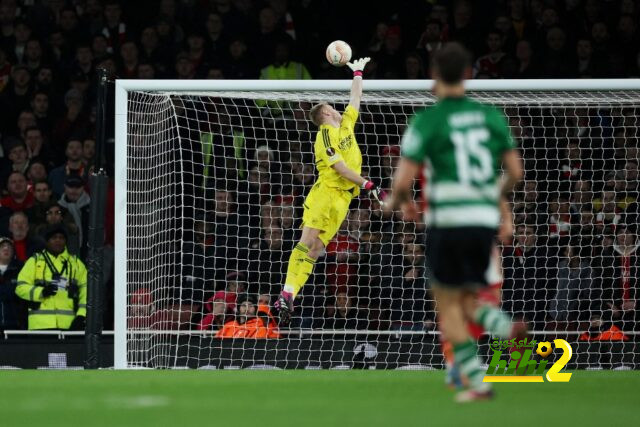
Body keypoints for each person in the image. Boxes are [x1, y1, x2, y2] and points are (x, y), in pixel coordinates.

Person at [384, 43, 524, 402]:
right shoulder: (491, 116)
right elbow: (515, 173)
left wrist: (398, 205)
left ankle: (479, 373)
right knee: (468, 297)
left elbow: (402, 183)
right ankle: (496, 336)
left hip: (447, 221)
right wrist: (492, 197)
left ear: (433, 74)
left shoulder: (427, 120)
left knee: (448, 305)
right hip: (482, 222)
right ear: (468, 74)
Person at [274, 57, 386, 324]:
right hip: (325, 193)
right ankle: (286, 291)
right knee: (306, 241)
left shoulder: (346, 124)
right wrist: (368, 185)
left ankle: (290, 295)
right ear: (324, 113)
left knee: (315, 251)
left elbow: (355, 99)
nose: (336, 109)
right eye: (330, 107)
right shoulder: (324, 133)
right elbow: (339, 168)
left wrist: (357, 72)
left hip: (343, 200)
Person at [15, 224, 87, 330]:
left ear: (66, 241)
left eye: (61, 238)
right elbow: (20, 287)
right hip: (39, 326)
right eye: (54, 238)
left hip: (69, 325)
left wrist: (81, 316)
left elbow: (87, 292)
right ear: (47, 241)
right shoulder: (35, 261)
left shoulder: (76, 264)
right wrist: (41, 292)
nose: (58, 240)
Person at [0, 237, 25, 330]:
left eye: (9, 247)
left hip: (16, 325)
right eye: (2, 246)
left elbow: (21, 293)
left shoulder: (21, 269)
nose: (6, 249)